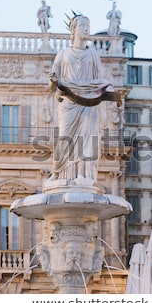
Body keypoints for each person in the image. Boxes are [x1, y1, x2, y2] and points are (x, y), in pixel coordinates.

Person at [47, 14, 115, 184]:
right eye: (82, 25)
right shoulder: (63, 54)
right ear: (73, 29)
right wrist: (53, 81)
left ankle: (84, 176)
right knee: (65, 138)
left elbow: (99, 80)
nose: (86, 28)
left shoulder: (93, 54)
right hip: (69, 102)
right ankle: (58, 172)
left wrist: (107, 86)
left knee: (87, 140)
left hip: (88, 102)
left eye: (88, 25)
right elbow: (51, 86)